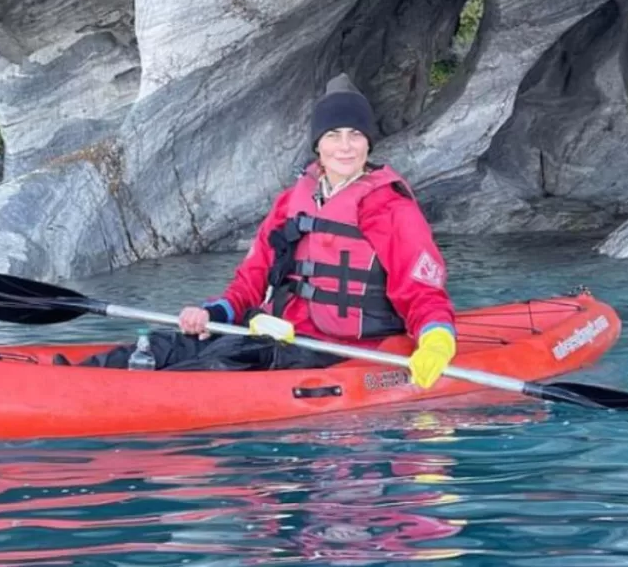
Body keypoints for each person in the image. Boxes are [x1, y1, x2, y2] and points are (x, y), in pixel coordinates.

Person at [82, 73, 456, 389]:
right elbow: (252, 278)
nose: (345, 146)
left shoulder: (392, 209)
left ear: (368, 142)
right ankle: (71, 380)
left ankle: (125, 404)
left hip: (333, 349)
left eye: (355, 135)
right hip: (271, 330)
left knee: (210, 370)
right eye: (333, 135)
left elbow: (422, 290)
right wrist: (215, 311)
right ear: (317, 145)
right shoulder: (292, 201)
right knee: (166, 346)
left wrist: (437, 339)